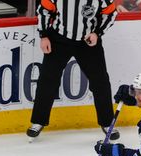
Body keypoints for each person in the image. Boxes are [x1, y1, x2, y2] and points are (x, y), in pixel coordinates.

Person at [27, 0, 119, 140]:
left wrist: (97, 33)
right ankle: (38, 121)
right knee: (48, 80)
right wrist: (44, 35)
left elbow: (110, 13)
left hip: (88, 41)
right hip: (59, 39)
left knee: (100, 81)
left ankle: (107, 123)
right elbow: (44, 10)